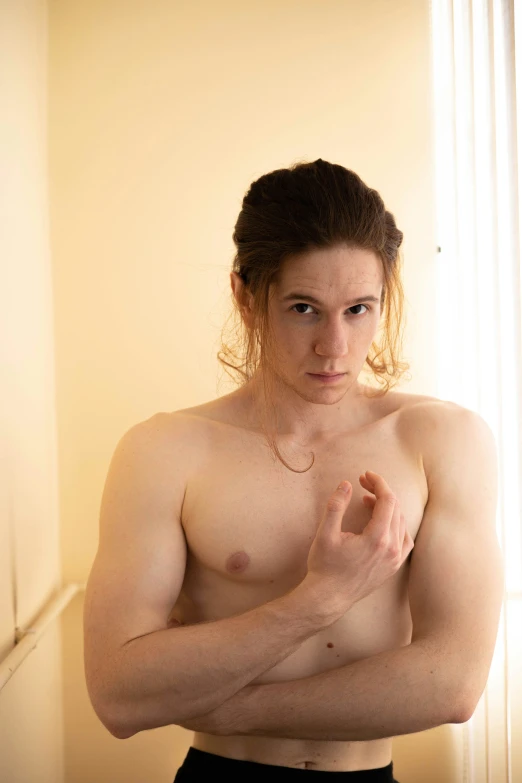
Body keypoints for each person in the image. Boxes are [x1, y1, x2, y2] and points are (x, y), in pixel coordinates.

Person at [83, 159, 504, 782]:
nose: (335, 346)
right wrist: (319, 599)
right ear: (246, 297)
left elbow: (453, 685)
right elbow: (119, 695)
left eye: (359, 309)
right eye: (304, 308)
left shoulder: (443, 441)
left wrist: (224, 707)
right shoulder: (165, 450)